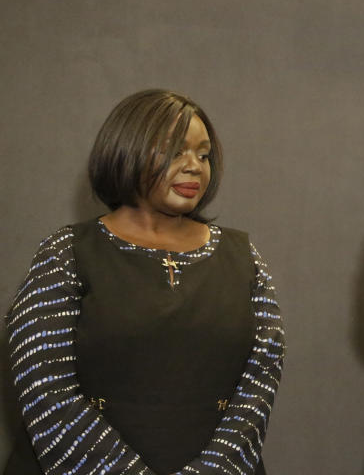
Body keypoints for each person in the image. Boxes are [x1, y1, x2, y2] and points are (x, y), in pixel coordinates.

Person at [4, 90, 285, 475]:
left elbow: (260, 381)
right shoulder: (65, 254)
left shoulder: (245, 257)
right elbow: (45, 387)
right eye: (175, 151)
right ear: (127, 150)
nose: (194, 167)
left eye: (203, 155)